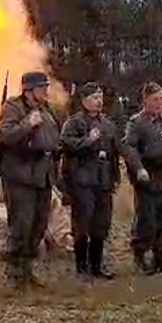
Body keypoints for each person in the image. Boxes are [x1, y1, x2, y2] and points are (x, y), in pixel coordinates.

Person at [0, 70, 61, 289]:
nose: (46, 91)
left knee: (39, 226)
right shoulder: (13, 107)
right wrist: (27, 124)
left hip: (42, 174)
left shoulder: (47, 109)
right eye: (42, 88)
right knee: (21, 225)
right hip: (20, 175)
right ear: (29, 90)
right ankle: (15, 273)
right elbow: (5, 136)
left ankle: (27, 270)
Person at [59, 82, 121, 280]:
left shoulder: (107, 124)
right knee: (83, 224)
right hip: (82, 181)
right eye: (95, 97)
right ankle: (81, 267)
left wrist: (115, 176)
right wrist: (87, 141)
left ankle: (97, 266)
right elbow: (66, 145)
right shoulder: (74, 123)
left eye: (100, 97)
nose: (99, 101)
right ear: (84, 100)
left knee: (101, 224)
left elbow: (114, 151)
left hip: (103, 181)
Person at [122, 81, 162, 275]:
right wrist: (138, 168)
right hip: (148, 176)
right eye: (156, 99)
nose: (160, 103)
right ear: (146, 101)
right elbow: (129, 147)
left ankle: (160, 255)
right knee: (147, 219)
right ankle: (140, 255)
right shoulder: (137, 122)